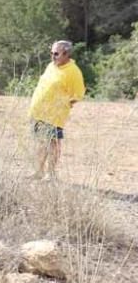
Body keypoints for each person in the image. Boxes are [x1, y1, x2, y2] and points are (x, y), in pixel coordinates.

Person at [28, 40, 85, 180]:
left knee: (52, 143)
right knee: (41, 142)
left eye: (56, 54)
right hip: (39, 112)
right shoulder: (51, 66)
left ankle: (51, 173)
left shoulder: (73, 71)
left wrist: (63, 105)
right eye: (51, 53)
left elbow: (78, 94)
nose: (53, 56)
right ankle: (38, 171)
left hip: (54, 114)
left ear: (66, 54)